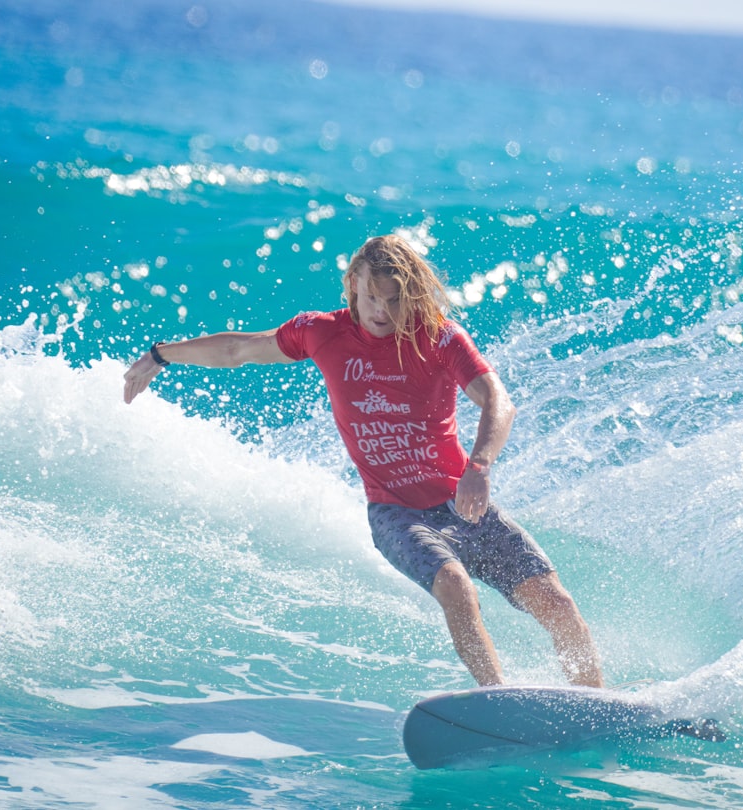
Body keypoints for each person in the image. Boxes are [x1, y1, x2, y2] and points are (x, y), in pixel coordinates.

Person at [123, 234, 603, 688]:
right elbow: (236, 349)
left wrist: (478, 467)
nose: (382, 311)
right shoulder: (320, 333)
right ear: (353, 281)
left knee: (559, 605)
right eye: (373, 296)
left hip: (463, 505)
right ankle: (497, 701)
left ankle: (598, 705)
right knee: (456, 585)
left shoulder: (438, 338)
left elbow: (499, 402)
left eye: (395, 300)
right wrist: (159, 356)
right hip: (397, 515)